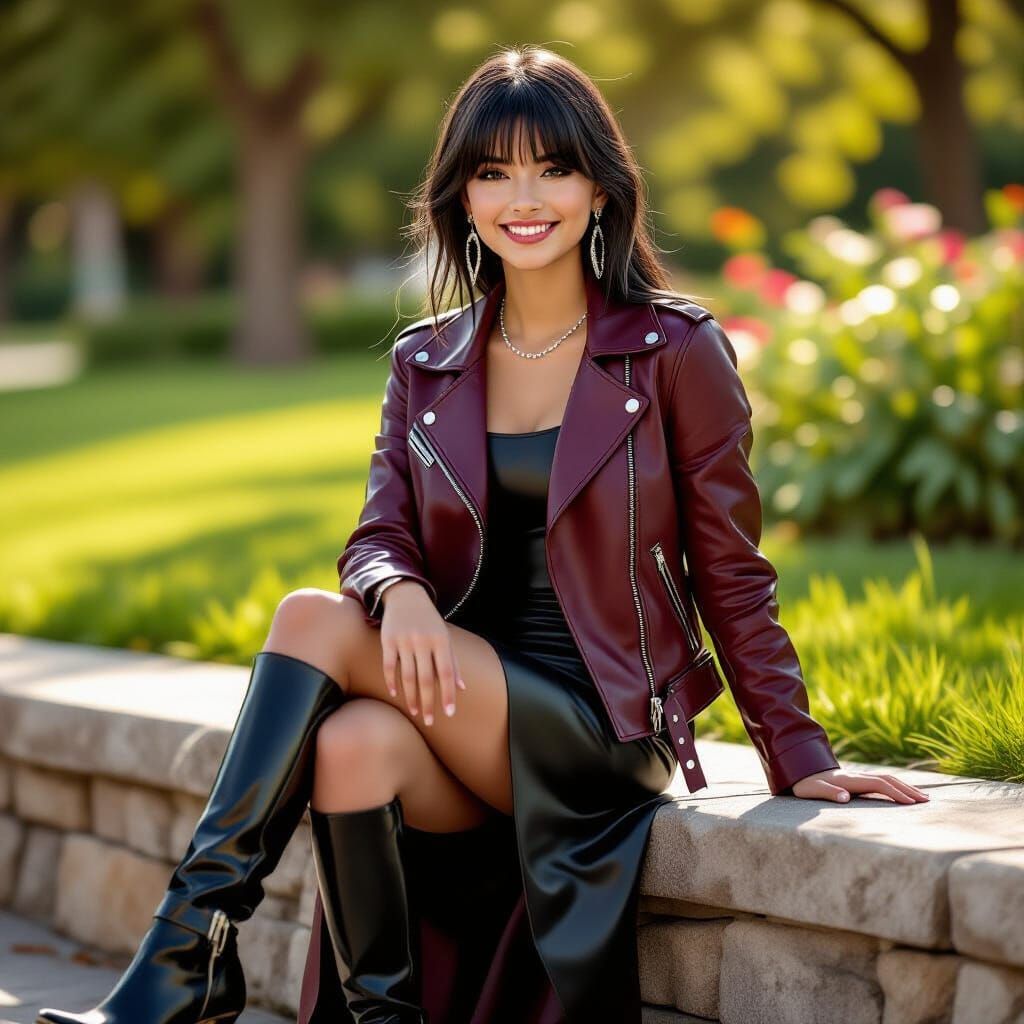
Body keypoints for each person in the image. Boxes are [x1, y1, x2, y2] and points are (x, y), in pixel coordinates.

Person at [37, 43, 930, 1024]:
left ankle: (186, 953)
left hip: (599, 715)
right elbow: (379, 534)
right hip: (455, 690)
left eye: (552, 166)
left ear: (600, 188)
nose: (523, 194)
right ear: (461, 197)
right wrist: (405, 594)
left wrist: (795, 751)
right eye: (492, 171)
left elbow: (729, 565)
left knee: (308, 617)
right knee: (353, 747)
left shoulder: (673, 350)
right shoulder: (430, 360)